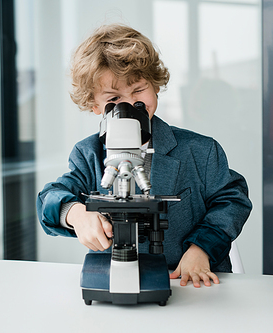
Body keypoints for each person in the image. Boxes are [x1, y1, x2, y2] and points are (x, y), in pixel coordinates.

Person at [36, 24, 252, 288]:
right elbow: (49, 198)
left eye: (138, 91)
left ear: (156, 86)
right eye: (114, 97)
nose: (128, 106)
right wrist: (75, 213)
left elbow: (232, 200)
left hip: (186, 279)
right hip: (114, 274)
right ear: (94, 104)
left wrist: (201, 249)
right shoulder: (88, 153)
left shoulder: (201, 151)